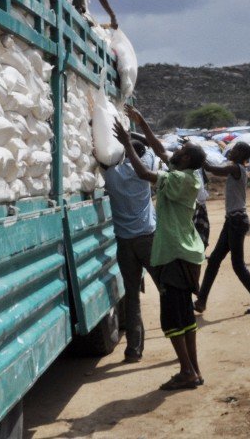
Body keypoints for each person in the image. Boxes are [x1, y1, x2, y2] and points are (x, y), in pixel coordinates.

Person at [115, 108, 206, 391]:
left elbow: (143, 172)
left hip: (174, 255)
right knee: (186, 319)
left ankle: (187, 372)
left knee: (173, 319)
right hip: (181, 253)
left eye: (182, 149)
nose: (175, 151)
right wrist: (142, 123)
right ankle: (193, 371)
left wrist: (127, 144)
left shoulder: (180, 180)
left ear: (187, 158)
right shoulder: (185, 172)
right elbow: (158, 149)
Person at [194, 142, 250, 315]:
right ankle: (201, 301)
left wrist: (199, 155)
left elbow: (213, 170)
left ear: (242, 156)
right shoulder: (236, 168)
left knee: (237, 265)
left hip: (237, 221)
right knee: (214, 261)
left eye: (236, 149)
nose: (231, 151)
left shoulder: (236, 168)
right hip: (233, 221)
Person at [102, 137, 159, 363]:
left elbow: (102, 160)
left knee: (132, 296)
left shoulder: (112, 175)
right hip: (148, 240)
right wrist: (129, 138)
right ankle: (179, 334)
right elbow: (151, 147)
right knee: (166, 288)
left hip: (124, 244)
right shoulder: (146, 169)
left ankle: (134, 350)